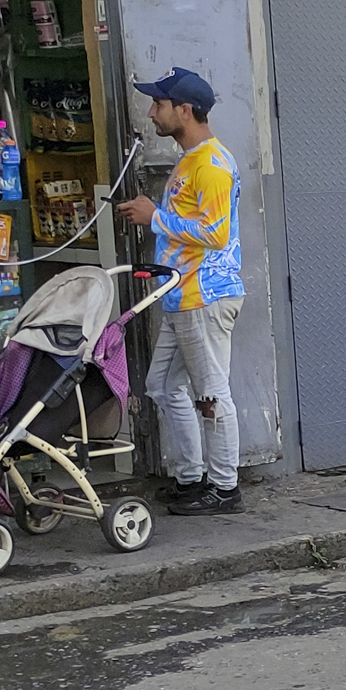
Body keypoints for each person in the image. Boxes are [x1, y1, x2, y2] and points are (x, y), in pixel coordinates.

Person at [117, 67, 247, 516]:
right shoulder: (191, 161)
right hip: (181, 296)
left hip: (204, 295)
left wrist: (154, 217)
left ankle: (225, 488)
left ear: (185, 110)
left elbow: (214, 233)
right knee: (162, 386)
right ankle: (191, 478)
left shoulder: (210, 164)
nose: (153, 113)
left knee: (211, 393)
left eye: (159, 104)